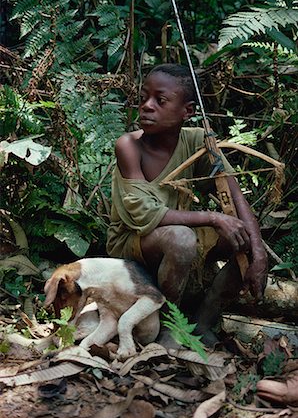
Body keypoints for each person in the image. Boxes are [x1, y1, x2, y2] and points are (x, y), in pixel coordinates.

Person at [106, 63, 268, 347]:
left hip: (180, 236)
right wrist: (214, 218)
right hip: (134, 241)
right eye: (144, 97)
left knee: (242, 236)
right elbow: (145, 215)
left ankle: (204, 321)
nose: (146, 106)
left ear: (188, 111)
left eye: (160, 100)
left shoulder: (198, 142)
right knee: (182, 238)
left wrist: (258, 252)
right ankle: (171, 325)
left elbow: (235, 197)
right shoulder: (129, 147)